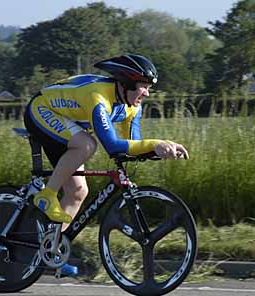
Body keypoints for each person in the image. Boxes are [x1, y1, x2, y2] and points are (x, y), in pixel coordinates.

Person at [24, 54, 189, 228]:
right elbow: (112, 145)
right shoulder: (98, 97)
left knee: (77, 192)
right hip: (41, 109)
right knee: (87, 144)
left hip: (67, 121)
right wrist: (155, 144)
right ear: (127, 83)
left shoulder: (132, 106)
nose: (147, 93)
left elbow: (132, 144)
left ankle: (49, 247)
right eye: (144, 87)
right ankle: (47, 195)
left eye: (149, 88)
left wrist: (160, 149)